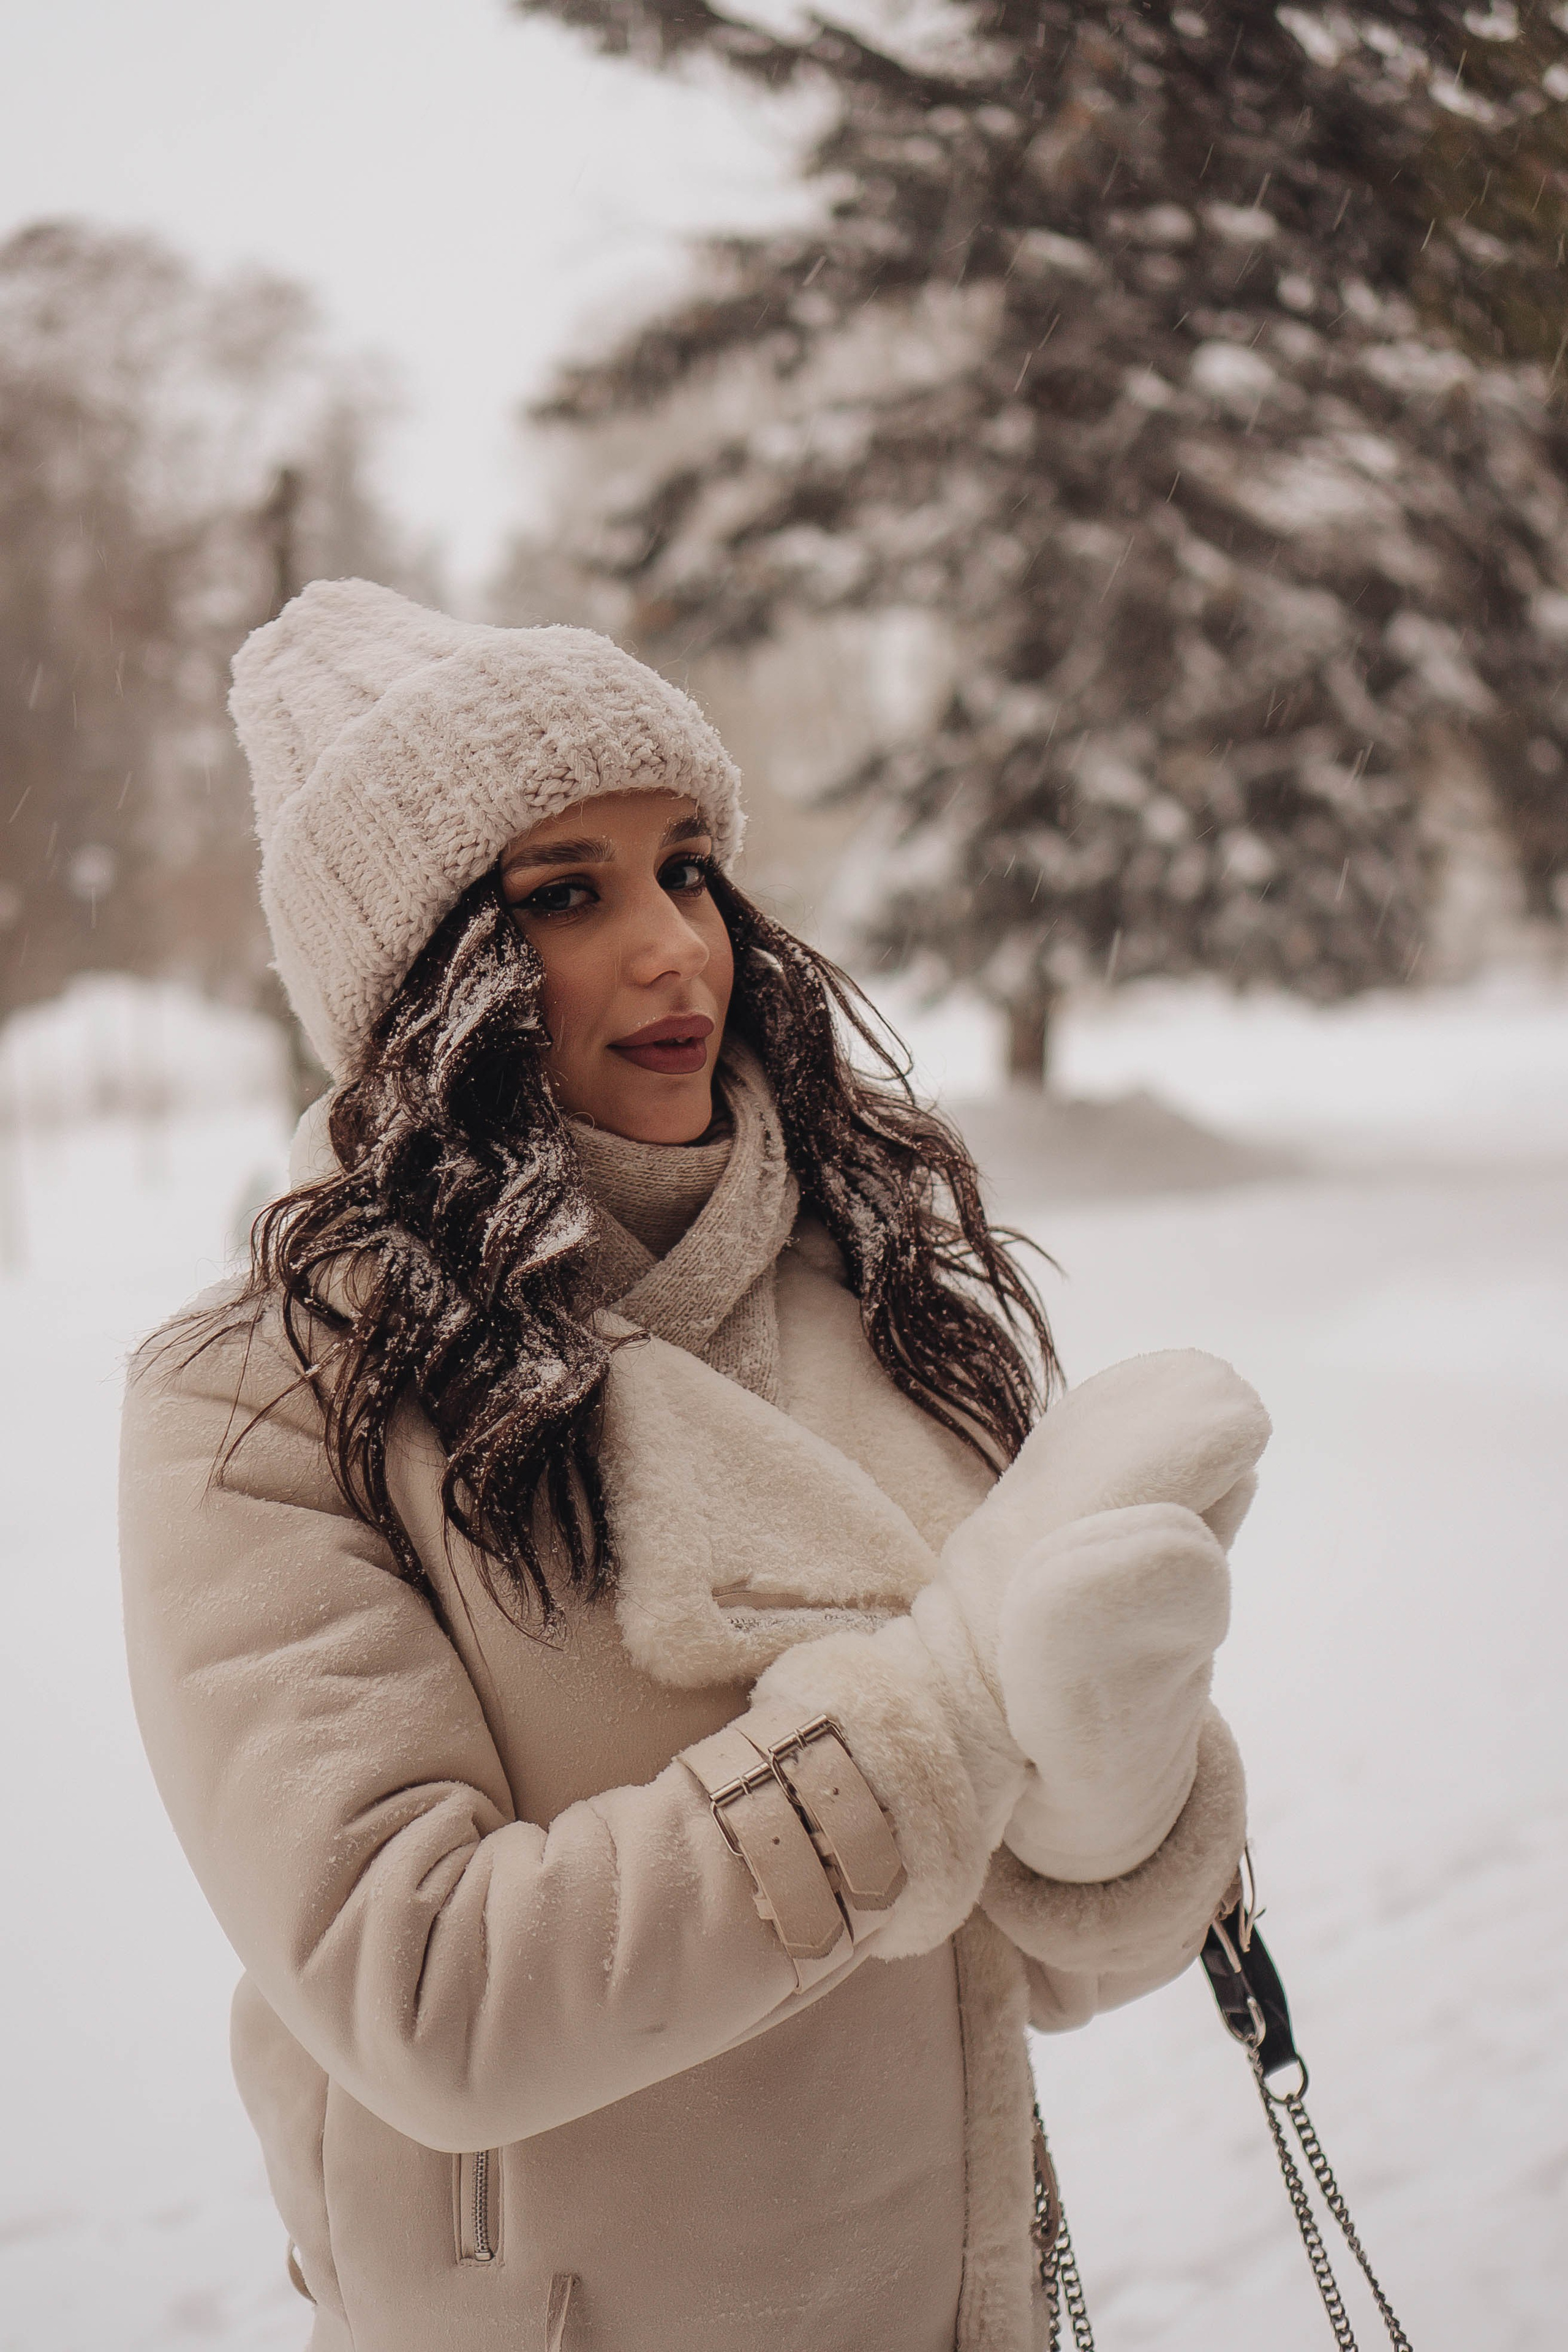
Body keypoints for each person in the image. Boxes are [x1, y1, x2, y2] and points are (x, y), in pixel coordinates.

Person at [120, 579, 1268, 2352]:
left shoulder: (868, 1292)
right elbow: (423, 1991)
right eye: (565, 896)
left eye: (687, 864)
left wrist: (1102, 1786)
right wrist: (942, 1721)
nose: (678, 949)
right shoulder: (273, 1400)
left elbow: (1024, 1965)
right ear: (424, 982)